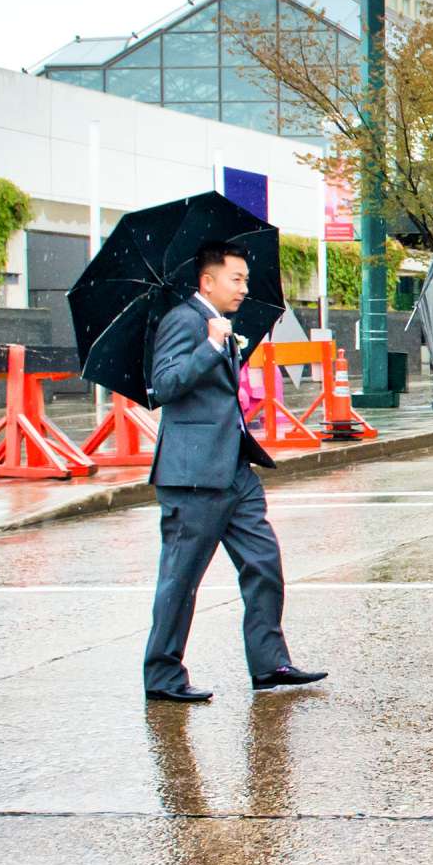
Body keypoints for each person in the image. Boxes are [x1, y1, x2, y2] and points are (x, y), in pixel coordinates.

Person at [142, 243, 325, 703]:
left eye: (246, 280)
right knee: (181, 579)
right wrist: (211, 345)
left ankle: (269, 664)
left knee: (263, 563)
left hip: (235, 468)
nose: (245, 288)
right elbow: (163, 385)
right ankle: (163, 675)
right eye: (236, 279)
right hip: (193, 474)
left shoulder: (222, 325)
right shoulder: (183, 322)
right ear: (208, 281)